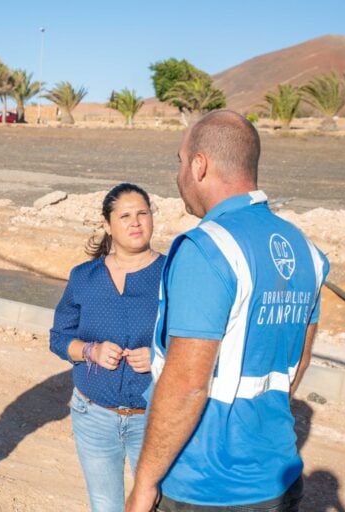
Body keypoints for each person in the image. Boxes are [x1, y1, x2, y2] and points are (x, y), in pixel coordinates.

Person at [126, 110, 329, 512]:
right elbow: (298, 362)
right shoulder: (306, 251)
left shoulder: (208, 248)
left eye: (180, 161)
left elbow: (187, 383)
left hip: (206, 486)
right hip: (277, 478)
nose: (179, 173)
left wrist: (145, 484)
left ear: (200, 165)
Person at [50, 183, 164, 511]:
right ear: (107, 225)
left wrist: (160, 358)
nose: (136, 222)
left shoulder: (172, 274)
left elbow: (197, 344)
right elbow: (59, 338)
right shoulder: (84, 277)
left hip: (154, 418)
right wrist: (91, 352)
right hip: (93, 416)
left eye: (143, 213)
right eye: (125, 215)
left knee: (156, 504)